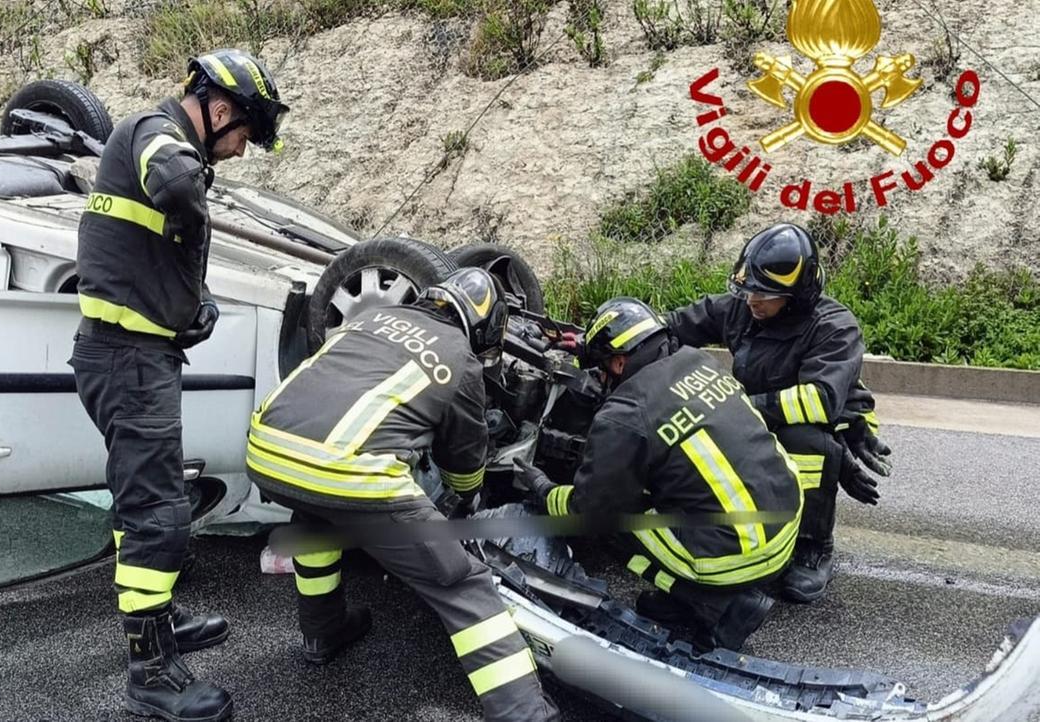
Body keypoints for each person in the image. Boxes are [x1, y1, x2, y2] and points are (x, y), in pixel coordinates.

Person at [68, 48, 289, 722]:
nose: (241, 152)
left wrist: (197, 302)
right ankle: (150, 675)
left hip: (136, 356)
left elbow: (154, 240)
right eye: (243, 135)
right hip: (126, 361)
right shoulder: (154, 133)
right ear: (219, 109)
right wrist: (199, 203)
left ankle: (156, 619)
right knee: (160, 515)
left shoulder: (161, 141)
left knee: (140, 500)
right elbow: (172, 185)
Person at [246, 268, 560, 721]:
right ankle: (525, 714)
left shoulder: (371, 320)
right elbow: (465, 460)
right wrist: (464, 502)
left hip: (267, 450)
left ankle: (323, 633)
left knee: (318, 522)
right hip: (350, 471)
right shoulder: (460, 357)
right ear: (485, 324)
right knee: (461, 583)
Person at [516, 297, 804, 652]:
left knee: (612, 525)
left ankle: (715, 606)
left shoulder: (625, 413)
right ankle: (694, 591)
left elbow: (591, 512)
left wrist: (544, 489)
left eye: (602, 369)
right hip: (787, 521)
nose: (600, 379)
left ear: (619, 361)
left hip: (740, 556)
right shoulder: (701, 362)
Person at [666, 222, 893, 604]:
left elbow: (820, 401)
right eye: (748, 289)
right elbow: (678, 325)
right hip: (752, 416)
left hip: (825, 423)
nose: (752, 300)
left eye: (765, 293)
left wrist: (732, 409)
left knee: (809, 445)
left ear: (797, 295)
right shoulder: (744, 309)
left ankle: (812, 545)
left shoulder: (834, 327)